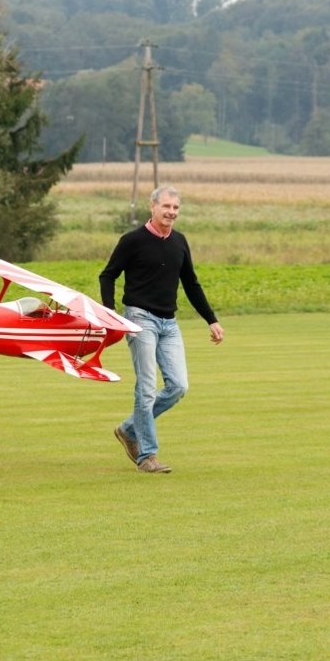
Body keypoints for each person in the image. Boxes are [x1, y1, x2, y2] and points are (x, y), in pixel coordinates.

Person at [99, 185, 225, 473]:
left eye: (176, 208)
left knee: (179, 386)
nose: (171, 212)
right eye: (166, 206)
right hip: (139, 319)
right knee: (145, 389)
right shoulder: (133, 240)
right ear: (152, 207)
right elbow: (108, 275)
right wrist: (110, 312)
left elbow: (191, 283)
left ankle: (129, 428)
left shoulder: (179, 242)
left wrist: (212, 320)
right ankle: (147, 456)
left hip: (169, 323)